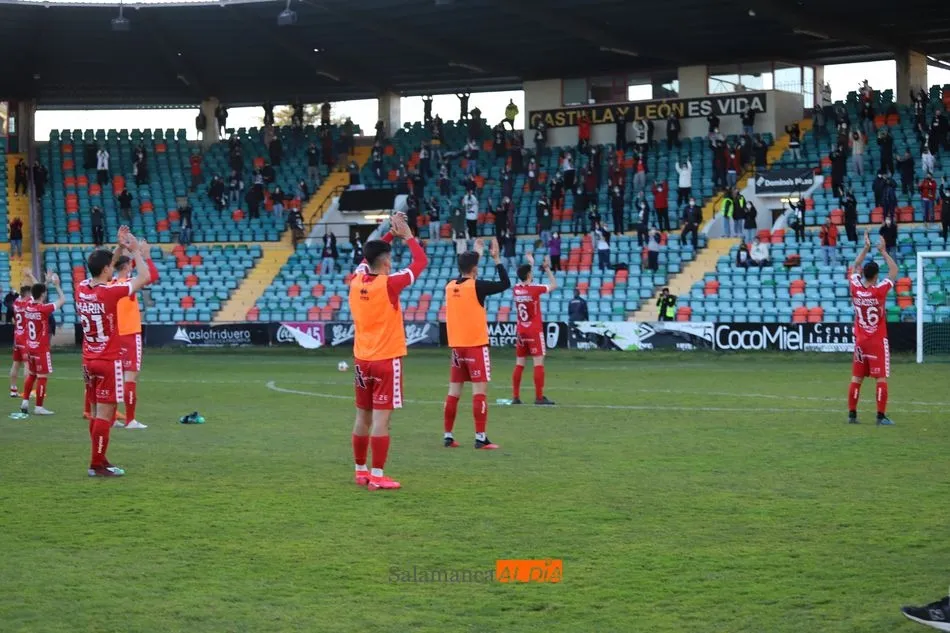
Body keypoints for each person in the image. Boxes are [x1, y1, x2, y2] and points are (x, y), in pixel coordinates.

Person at [348, 214, 428, 491]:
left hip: (362, 360)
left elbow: (366, 257)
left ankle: (361, 471)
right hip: (385, 360)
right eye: (390, 259)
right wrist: (408, 236)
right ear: (385, 262)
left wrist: (390, 234)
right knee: (382, 420)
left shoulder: (356, 280)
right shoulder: (389, 284)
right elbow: (421, 262)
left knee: (362, 417)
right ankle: (378, 475)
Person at [79, 228, 156, 476]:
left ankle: (100, 459)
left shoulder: (82, 288)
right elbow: (145, 277)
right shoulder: (111, 293)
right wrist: (135, 252)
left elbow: (104, 267)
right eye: (110, 267)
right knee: (106, 414)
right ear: (105, 269)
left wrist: (120, 248)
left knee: (96, 413)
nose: (112, 269)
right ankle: (96, 464)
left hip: (88, 359)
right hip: (107, 361)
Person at [443, 239, 510, 450]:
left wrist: (476, 254)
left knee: (453, 392)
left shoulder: (450, 286)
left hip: (457, 348)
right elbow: (505, 283)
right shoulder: (477, 286)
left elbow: (466, 273)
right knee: (479, 392)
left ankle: (448, 435)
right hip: (475, 346)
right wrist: (497, 259)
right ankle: (480, 438)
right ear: (475, 269)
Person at [847, 230, 897, 426]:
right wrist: (883, 251)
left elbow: (855, 266)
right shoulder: (879, 290)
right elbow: (894, 270)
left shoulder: (855, 287)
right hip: (877, 340)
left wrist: (865, 248)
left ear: (863, 274)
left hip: (860, 341)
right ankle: (880, 416)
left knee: (857, 378)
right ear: (876, 276)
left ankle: (852, 415)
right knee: (880, 378)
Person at [112, 253, 156, 430]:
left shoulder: (110, 284)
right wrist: (146, 256)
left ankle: (112, 418)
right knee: (130, 379)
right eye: (130, 265)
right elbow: (152, 276)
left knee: (116, 378)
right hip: (130, 335)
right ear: (126, 267)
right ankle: (130, 420)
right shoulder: (129, 284)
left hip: (114, 336)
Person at [511, 253, 557, 406]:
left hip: (521, 331)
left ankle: (515, 397)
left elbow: (526, 280)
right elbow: (554, 285)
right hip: (534, 330)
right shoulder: (535, 289)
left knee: (520, 363)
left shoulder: (516, 289)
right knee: (538, 363)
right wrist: (547, 269)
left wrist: (530, 264)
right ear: (529, 275)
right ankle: (539, 397)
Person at [20, 272, 66, 416]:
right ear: (43, 295)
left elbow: (37, 291)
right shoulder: (44, 309)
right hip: (41, 349)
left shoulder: (28, 305)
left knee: (32, 375)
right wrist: (57, 285)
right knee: (42, 377)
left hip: (30, 348)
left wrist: (45, 282)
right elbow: (62, 300)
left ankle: (25, 402)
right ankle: (39, 407)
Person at [9, 274, 35, 398]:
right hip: (25, 338)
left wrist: (24, 281)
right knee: (27, 365)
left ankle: (13, 389)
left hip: (17, 338)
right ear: (27, 294)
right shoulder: (28, 303)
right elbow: (38, 289)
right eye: (29, 293)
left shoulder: (16, 302)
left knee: (15, 364)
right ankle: (27, 391)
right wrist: (30, 275)